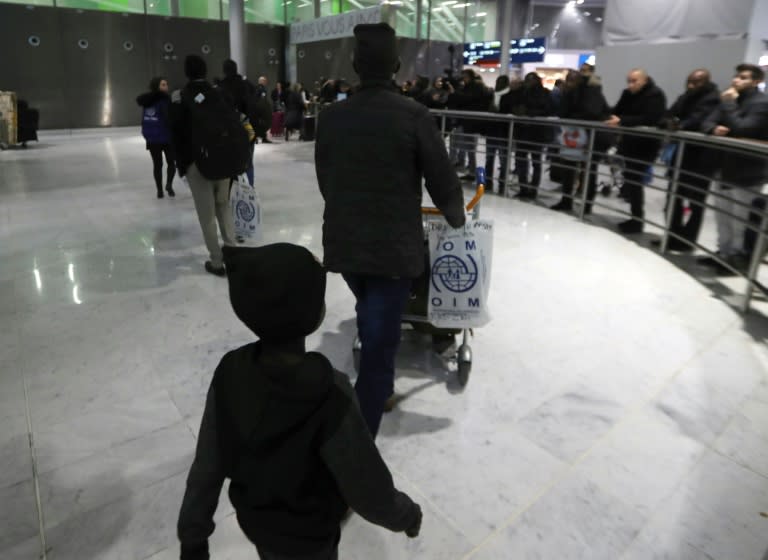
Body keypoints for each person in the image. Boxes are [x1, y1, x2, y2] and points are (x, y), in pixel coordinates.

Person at [177, 243, 423, 560]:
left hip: (257, 524)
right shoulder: (330, 393)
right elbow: (366, 485)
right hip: (312, 538)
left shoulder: (230, 370)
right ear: (310, 313)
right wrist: (407, 515)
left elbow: (208, 463)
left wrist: (193, 536)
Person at [315, 23, 466, 437]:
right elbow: (442, 179)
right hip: (394, 249)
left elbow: (325, 180)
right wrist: (456, 217)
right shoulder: (414, 116)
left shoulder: (331, 117)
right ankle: (360, 442)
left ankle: (377, 384)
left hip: (346, 243)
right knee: (380, 343)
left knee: (371, 312)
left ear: (355, 65)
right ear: (397, 66)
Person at [170, 55, 240, 277]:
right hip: (223, 160)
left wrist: (183, 165)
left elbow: (176, 133)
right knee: (224, 206)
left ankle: (217, 262)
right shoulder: (219, 93)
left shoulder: (180, 97)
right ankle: (234, 254)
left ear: (186, 72)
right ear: (205, 70)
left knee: (207, 214)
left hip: (197, 164)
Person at [699, 63, 768, 273]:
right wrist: (713, 128)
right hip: (723, 168)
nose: (736, 80)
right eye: (736, 76)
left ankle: (737, 260)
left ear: (757, 81)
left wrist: (728, 105)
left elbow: (744, 128)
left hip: (748, 172)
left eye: (743, 77)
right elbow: (706, 122)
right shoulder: (729, 99)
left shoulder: (761, 102)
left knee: (741, 219)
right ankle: (723, 253)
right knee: (722, 215)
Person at [656, 69, 721, 251]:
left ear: (706, 82)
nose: (691, 85)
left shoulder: (713, 99)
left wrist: (678, 125)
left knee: (695, 203)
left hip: (701, 159)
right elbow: (668, 114)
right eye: (689, 81)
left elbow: (697, 121)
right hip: (681, 156)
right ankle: (672, 235)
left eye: (696, 82)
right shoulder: (685, 96)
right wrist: (669, 123)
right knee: (673, 198)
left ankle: (687, 241)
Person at [605, 68, 667, 233]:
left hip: (645, 146)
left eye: (634, 81)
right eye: (629, 81)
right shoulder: (628, 94)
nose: (630, 84)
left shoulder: (655, 95)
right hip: (630, 144)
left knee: (635, 181)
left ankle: (637, 220)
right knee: (631, 181)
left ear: (644, 80)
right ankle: (635, 218)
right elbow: (617, 110)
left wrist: (622, 120)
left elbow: (651, 118)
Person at [550, 69, 612, 214]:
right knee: (570, 168)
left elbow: (591, 113)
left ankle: (587, 205)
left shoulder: (591, 92)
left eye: (572, 79)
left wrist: (572, 116)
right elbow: (562, 112)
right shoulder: (570, 93)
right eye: (568, 79)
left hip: (590, 137)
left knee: (589, 170)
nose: (569, 82)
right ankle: (567, 200)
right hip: (573, 135)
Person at [514, 72, 555, 200]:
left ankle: (532, 189)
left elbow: (547, 110)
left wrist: (529, 114)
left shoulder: (544, 93)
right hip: (524, 132)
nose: (528, 82)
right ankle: (524, 187)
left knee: (535, 162)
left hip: (536, 133)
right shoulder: (522, 93)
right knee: (522, 161)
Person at [216, 59, 258, 184]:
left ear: (224, 70)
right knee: (248, 161)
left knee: (230, 161)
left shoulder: (221, 87)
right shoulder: (246, 84)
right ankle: (249, 189)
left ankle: (232, 188)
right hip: (246, 126)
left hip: (228, 130)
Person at [136, 77, 176, 199]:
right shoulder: (165, 100)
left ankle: (159, 191)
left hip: (152, 138)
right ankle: (169, 184)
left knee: (157, 164)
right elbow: (169, 119)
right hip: (166, 137)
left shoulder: (147, 101)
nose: (166, 87)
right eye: (163, 85)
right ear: (157, 86)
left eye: (166, 84)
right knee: (171, 163)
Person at [484, 75, 511, 195]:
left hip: (503, 132)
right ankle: (488, 182)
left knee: (503, 160)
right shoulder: (491, 95)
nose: (497, 83)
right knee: (489, 158)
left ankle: (502, 183)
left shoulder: (510, 96)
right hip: (492, 131)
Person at [254, 76, 273, 144]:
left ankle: (257, 137)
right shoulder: (262, 89)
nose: (266, 82)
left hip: (256, 108)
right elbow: (263, 99)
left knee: (257, 122)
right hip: (262, 109)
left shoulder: (255, 88)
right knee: (266, 122)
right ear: (261, 81)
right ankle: (264, 138)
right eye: (264, 81)